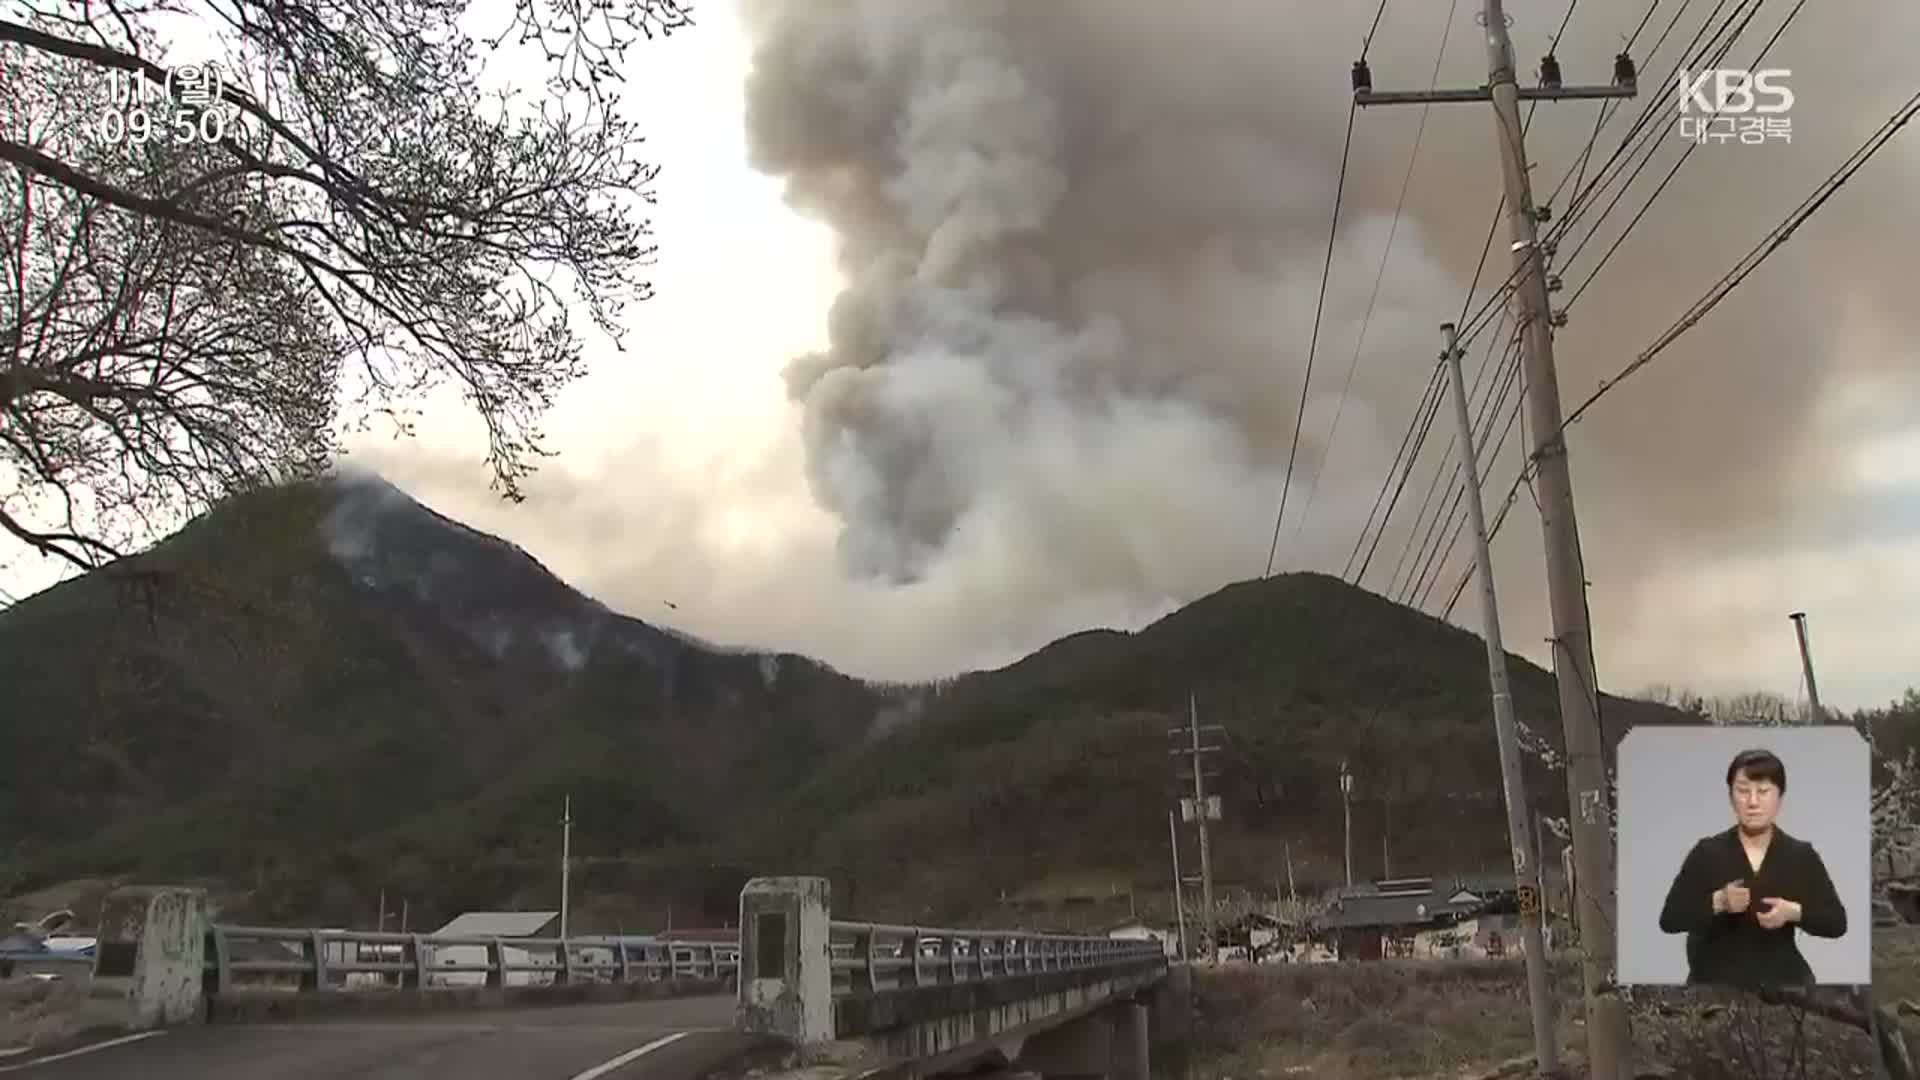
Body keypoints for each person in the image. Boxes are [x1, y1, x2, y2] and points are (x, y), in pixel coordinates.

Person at [1657, 747, 1848, 987]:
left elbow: (1837, 922)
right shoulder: (1707, 852)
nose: (1753, 802)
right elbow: (1670, 919)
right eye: (1743, 791)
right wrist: (1719, 902)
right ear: (1730, 796)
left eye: (1764, 791)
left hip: (1784, 989)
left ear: (1780, 797)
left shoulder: (1800, 855)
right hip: (1714, 988)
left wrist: (1793, 912)